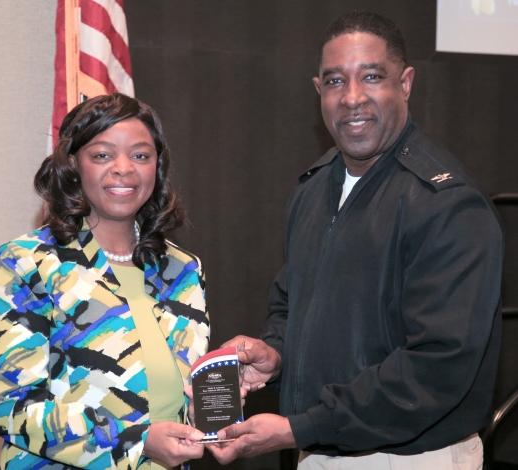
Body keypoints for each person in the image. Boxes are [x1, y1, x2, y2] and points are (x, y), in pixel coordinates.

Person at [207, 12, 503, 470]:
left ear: (405, 84)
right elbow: (293, 304)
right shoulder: (313, 188)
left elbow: (437, 367)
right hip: (320, 448)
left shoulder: (446, 204)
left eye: (371, 77)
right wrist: (276, 354)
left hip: (411, 458)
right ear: (317, 90)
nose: (352, 98)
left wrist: (299, 428)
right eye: (334, 81)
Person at [0, 93, 210, 470]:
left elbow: (180, 395)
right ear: (73, 165)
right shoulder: (29, 262)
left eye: (141, 155)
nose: (124, 168)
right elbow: (10, 405)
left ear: (158, 167)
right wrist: (135, 443)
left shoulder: (182, 269)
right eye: (102, 155)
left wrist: (218, 400)